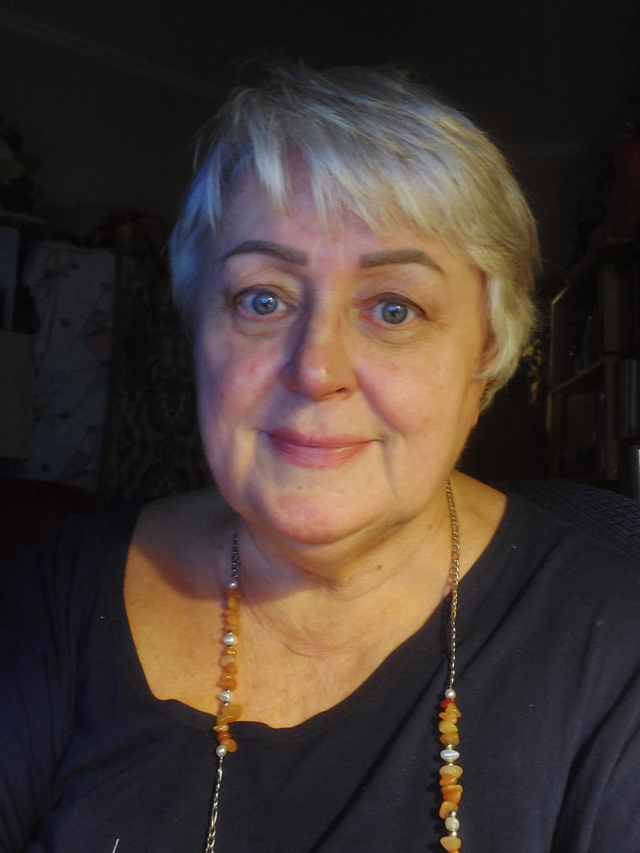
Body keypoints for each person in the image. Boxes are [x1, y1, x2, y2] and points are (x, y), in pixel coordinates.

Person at [1, 64, 639, 853]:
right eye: (262, 299)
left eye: (394, 308)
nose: (315, 368)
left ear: (486, 360)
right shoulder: (56, 595)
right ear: (198, 334)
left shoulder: (618, 653)